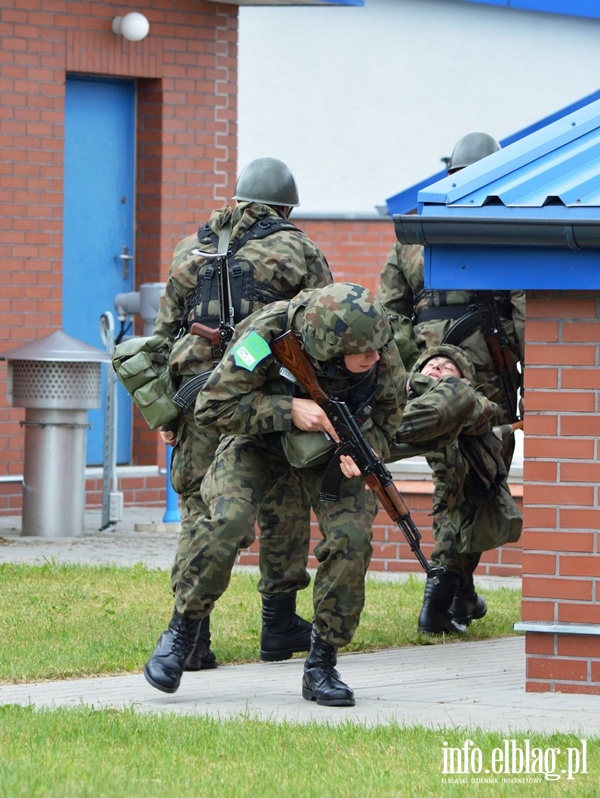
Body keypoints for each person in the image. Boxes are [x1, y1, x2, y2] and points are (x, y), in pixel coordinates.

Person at [144, 283, 406, 706]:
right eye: (365, 355)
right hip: (257, 443)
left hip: (333, 450)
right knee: (227, 521)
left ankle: (322, 663)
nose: (376, 357)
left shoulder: (375, 339)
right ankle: (181, 632)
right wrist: (289, 411)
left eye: (378, 350)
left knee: (351, 539)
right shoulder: (265, 336)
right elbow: (212, 408)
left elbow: (390, 414)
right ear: (330, 346)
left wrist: (369, 447)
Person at [153, 156, 334, 670]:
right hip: (268, 403)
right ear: (284, 205)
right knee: (285, 505)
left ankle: (194, 638)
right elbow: (322, 330)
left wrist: (170, 415)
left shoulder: (189, 249)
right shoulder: (299, 249)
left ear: (236, 200)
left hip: (195, 403)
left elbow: (164, 337)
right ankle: (279, 624)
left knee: (200, 515)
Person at [378, 132, 525, 632]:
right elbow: (526, 314)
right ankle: (439, 601)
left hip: (425, 382)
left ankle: (461, 596)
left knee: (457, 479)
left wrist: (417, 370)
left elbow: (388, 318)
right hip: (484, 387)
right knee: (475, 482)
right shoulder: (507, 227)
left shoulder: (413, 234)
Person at [393, 344, 521, 634]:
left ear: (464, 381)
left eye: (447, 367)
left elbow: (482, 409)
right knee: (455, 529)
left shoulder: (466, 399)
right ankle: (463, 600)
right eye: (431, 364)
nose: (437, 367)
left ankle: (435, 613)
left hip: (469, 480)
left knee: (456, 528)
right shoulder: (404, 397)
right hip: (449, 483)